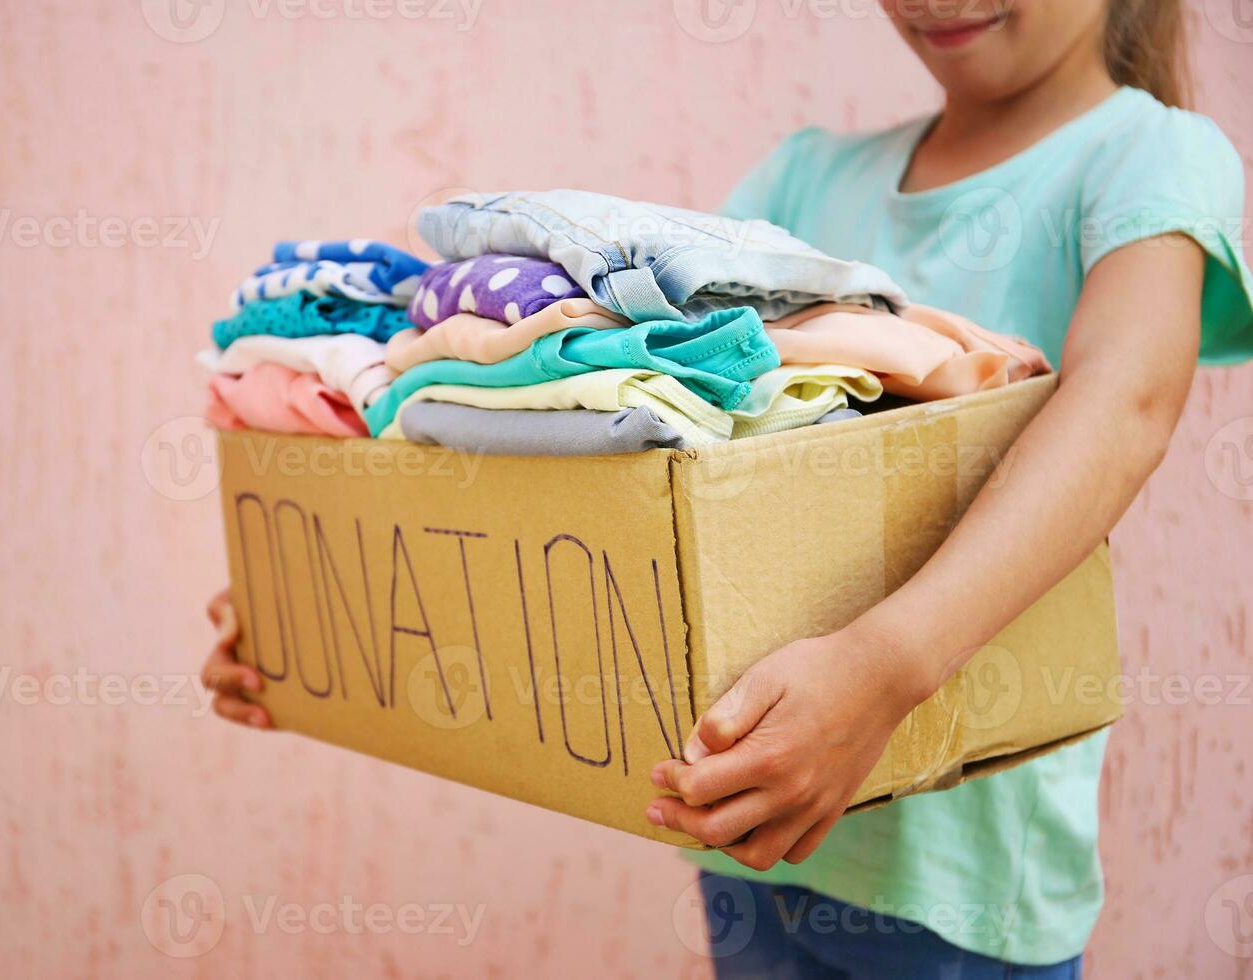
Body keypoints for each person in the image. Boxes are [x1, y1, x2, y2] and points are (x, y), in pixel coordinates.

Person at [202, 0, 1253, 973]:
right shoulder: (807, 176)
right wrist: (325, 613)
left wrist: (886, 668)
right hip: (748, 828)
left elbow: (1124, 407)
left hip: (958, 884)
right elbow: (619, 425)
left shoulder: (1147, 155)